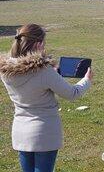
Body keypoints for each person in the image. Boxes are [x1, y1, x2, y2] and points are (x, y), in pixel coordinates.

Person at [0, 24, 93, 172]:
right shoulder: (44, 71)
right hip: (44, 132)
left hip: (20, 131)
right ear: (38, 44)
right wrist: (86, 80)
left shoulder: (5, 71)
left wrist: (53, 74)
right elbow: (72, 93)